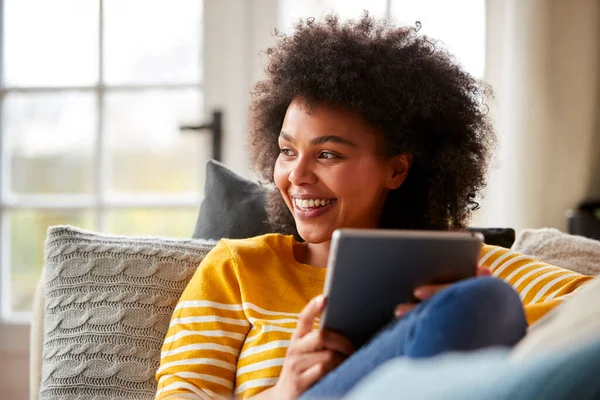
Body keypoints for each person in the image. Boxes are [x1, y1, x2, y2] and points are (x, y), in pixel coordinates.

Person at [155, 14, 593, 400]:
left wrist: (454, 316)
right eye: (287, 151)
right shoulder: (238, 270)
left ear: (397, 171)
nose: (298, 174)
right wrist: (285, 390)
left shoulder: (464, 268)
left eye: (328, 154)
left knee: (482, 298)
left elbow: (588, 308)